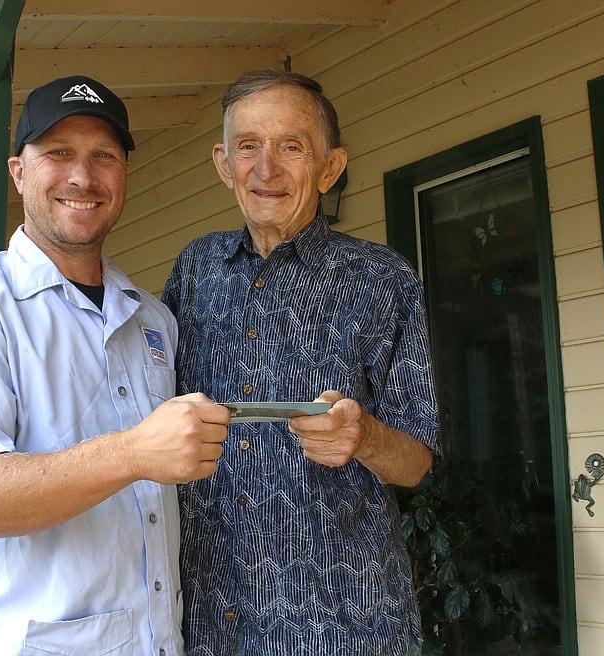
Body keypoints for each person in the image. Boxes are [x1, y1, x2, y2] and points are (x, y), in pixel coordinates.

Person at [0, 75, 230, 656]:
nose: (83, 176)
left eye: (104, 156)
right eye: (58, 153)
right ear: (18, 172)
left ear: (124, 175)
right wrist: (133, 452)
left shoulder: (153, 318)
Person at [162, 69, 441, 656]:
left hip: (342, 628)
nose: (266, 169)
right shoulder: (194, 271)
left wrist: (363, 436)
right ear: (223, 164)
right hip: (211, 625)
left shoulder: (382, 279)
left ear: (330, 168)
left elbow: (415, 462)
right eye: (248, 146)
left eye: (291, 147)